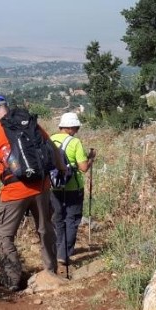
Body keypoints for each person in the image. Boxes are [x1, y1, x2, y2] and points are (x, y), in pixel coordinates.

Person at [0, 95, 59, 291]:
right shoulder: (28, 123)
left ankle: (12, 279)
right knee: (45, 229)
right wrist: (62, 169)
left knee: (3, 235)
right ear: (6, 109)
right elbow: (52, 148)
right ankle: (50, 271)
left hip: (13, 192)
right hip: (41, 187)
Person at [50, 112, 95, 274]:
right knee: (72, 220)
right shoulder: (74, 142)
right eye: (76, 127)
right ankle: (65, 254)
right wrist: (91, 158)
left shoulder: (50, 139)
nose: (77, 130)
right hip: (73, 187)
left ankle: (57, 251)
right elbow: (83, 168)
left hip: (54, 187)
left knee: (58, 219)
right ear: (71, 127)